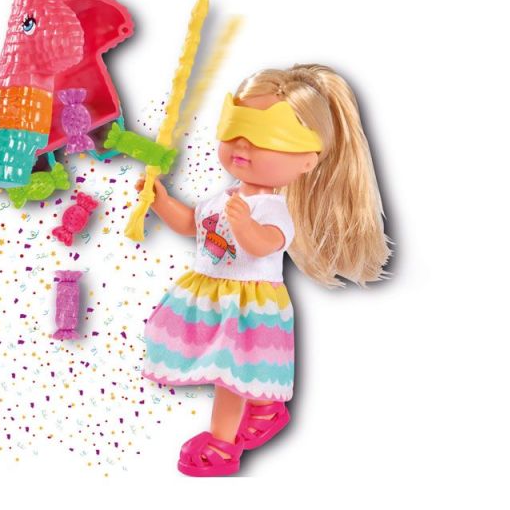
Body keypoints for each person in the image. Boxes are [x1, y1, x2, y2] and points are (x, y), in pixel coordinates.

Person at [139, 64, 390, 476]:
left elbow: (266, 244)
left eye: (265, 137)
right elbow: (192, 226)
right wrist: (161, 202)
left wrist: (245, 227)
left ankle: (222, 442)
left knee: (229, 376)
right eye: (236, 130)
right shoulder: (224, 198)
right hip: (211, 295)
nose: (243, 145)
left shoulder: (272, 208)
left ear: (307, 160)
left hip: (248, 305)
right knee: (230, 369)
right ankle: (264, 405)